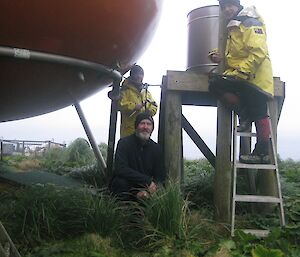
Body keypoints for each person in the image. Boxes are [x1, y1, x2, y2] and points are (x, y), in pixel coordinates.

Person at [208, 0, 274, 164]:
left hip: (255, 76)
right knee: (216, 85)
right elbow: (235, 52)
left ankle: (262, 154)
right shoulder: (234, 24)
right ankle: (244, 115)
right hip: (240, 75)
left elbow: (259, 52)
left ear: (238, 6)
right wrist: (217, 54)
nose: (227, 9)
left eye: (230, 5)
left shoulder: (250, 21)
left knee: (259, 111)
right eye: (224, 7)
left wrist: (242, 72)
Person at [110, 112, 165, 200]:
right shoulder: (124, 143)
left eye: (149, 124)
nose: (145, 127)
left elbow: (160, 175)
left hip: (145, 187)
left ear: (152, 128)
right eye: (142, 123)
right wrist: (147, 181)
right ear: (136, 127)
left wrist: (149, 190)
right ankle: (121, 212)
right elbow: (120, 169)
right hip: (127, 185)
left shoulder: (156, 148)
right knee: (119, 182)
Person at [118, 65, 158, 138]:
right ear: (132, 75)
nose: (139, 76)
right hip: (128, 132)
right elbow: (119, 105)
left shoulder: (146, 92)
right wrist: (134, 106)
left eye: (141, 74)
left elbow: (154, 106)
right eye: (136, 74)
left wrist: (150, 111)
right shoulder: (124, 90)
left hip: (143, 132)